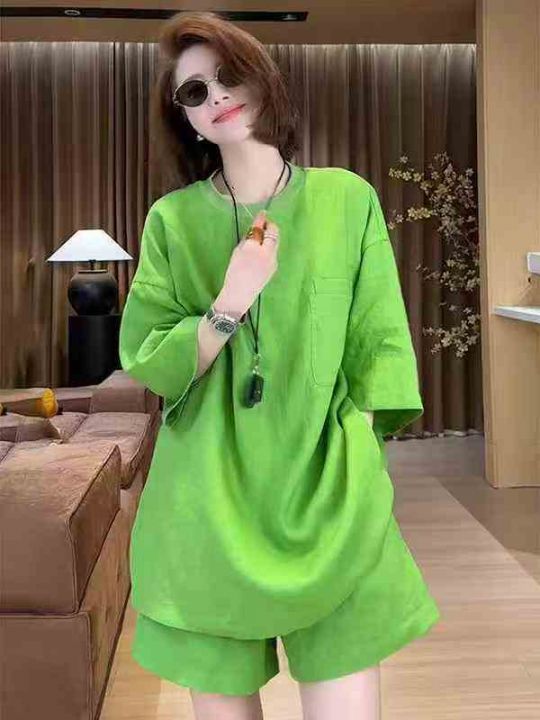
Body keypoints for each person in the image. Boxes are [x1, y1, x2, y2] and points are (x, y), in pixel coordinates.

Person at [118, 10, 441, 720]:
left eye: (227, 76)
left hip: (328, 491)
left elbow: (380, 341)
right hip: (208, 500)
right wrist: (230, 300)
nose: (216, 96)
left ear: (262, 80)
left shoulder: (346, 199)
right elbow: (151, 359)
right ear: (185, 120)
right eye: (193, 92)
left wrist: (357, 450)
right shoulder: (173, 221)